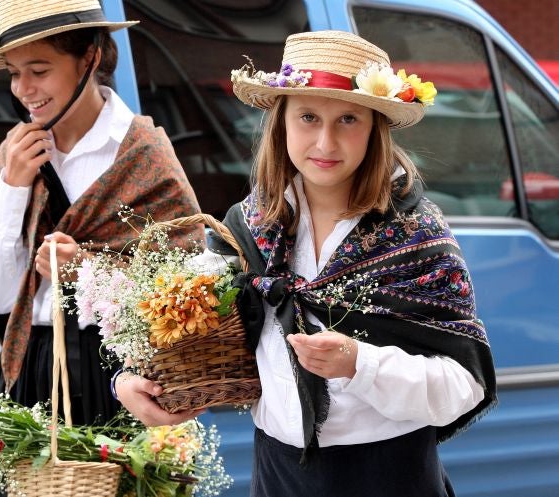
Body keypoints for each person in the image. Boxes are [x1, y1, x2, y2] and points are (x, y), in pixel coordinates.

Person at [115, 31, 497, 496]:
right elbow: (180, 325)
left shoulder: (417, 236)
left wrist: (360, 363)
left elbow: (463, 385)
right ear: (281, 124)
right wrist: (129, 380)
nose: (325, 142)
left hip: (389, 475)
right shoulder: (249, 228)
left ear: (375, 128)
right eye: (308, 117)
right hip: (279, 474)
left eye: (348, 119)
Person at [0, 0, 202, 426]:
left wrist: (88, 271)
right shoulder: (14, 153)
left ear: (90, 58)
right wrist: (13, 186)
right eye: (14, 73)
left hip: (123, 369)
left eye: (39, 71)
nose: (23, 89)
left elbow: (186, 294)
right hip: (33, 363)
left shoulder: (140, 152)